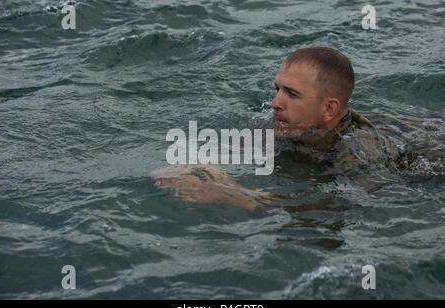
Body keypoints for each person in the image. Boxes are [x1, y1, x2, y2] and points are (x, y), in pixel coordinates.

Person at [154, 47, 444, 210]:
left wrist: (241, 197)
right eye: (277, 89)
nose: (274, 102)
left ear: (329, 108)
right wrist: (199, 169)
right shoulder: (282, 125)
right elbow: (232, 148)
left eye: (291, 94)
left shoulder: (355, 149)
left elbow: (373, 202)